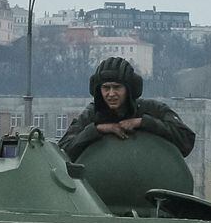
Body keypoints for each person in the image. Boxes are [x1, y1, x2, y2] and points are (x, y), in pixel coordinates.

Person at [59, 57, 195, 161]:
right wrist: (97, 129)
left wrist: (144, 123)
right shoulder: (92, 115)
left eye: (117, 87)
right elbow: (62, 151)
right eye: (106, 88)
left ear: (129, 90)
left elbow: (186, 140)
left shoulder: (152, 109)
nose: (111, 94)